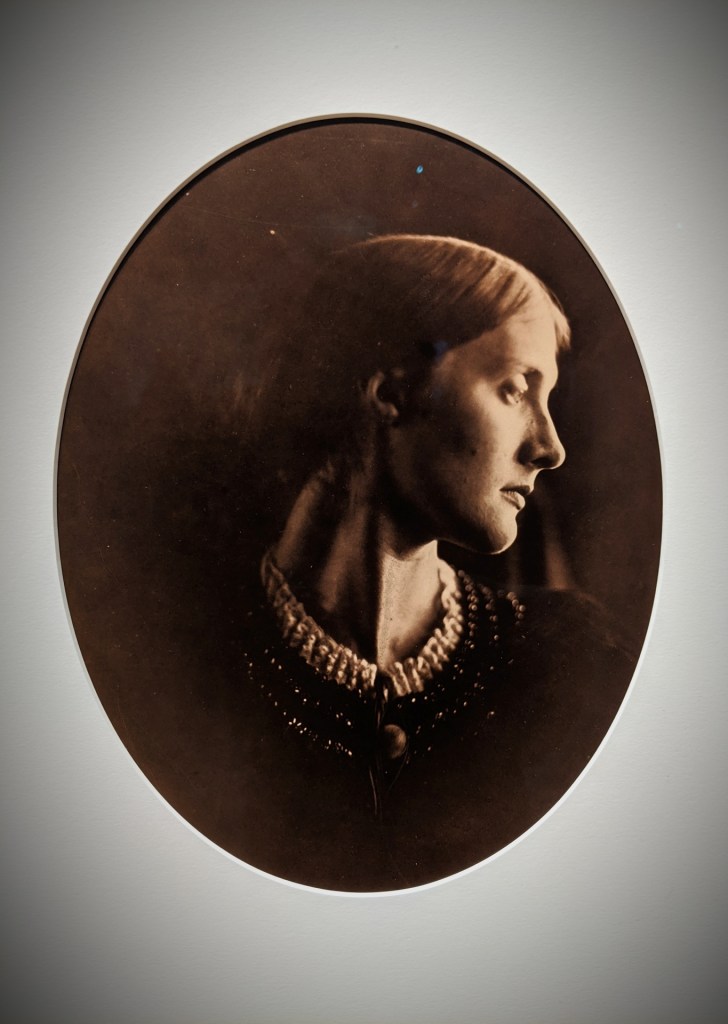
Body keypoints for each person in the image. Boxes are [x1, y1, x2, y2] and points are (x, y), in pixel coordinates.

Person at [218, 234, 634, 891]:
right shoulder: (189, 663)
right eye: (513, 390)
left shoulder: (571, 661)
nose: (550, 447)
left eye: (547, 398)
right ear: (391, 393)